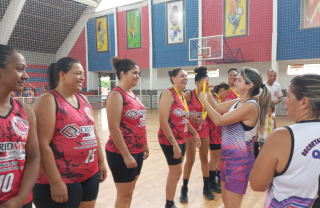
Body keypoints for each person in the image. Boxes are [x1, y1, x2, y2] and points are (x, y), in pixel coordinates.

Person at [250, 74, 320, 207]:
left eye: (288, 96)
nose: (285, 100)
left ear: (304, 102)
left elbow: (257, 184)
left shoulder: (281, 137)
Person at [32, 57, 107, 208]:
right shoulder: (48, 100)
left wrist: (101, 161)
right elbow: (42, 145)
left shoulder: (84, 99)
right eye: (78, 73)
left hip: (90, 174)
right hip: (62, 177)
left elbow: (93, 133)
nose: (83, 77)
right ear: (62, 75)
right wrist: (56, 182)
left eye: (83, 74)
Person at [198, 67, 271, 208]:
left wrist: (202, 100)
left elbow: (218, 120)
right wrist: (207, 94)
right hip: (227, 159)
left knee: (232, 205)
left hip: (239, 162)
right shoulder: (238, 102)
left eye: (239, 80)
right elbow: (218, 107)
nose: (235, 82)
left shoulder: (250, 106)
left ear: (249, 85)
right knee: (226, 201)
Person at [0, 44, 40, 208]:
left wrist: (20, 199)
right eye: (19, 69)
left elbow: (33, 157)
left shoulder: (26, 111)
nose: (25, 76)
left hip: (20, 202)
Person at [105, 57, 149, 208]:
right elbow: (113, 128)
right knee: (124, 195)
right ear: (123, 73)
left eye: (139, 73)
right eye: (134, 73)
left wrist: (145, 144)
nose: (138, 76)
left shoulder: (132, 94)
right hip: (121, 153)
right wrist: (126, 155)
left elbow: (139, 122)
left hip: (137, 150)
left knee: (129, 192)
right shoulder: (116, 95)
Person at [159, 68, 201, 208]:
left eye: (186, 76)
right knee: (175, 171)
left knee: (177, 171)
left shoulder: (182, 95)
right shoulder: (168, 93)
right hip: (169, 140)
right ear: (173, 78)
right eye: (182, 76)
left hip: (182, 138)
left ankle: (170, 202)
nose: (186, 78)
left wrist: (194, 133)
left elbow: (184, 119)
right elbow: (163, 121)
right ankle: (169, 204)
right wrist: (174, 144)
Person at [180, 67, 219, 202]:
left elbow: (216, 109)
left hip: (204, 130)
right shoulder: (189, 95)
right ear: (197, 83)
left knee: (204, 159)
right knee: (190, 160)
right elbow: (178, 110)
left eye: (207, 81)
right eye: (204, 81)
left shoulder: (208, 95)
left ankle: (206, 187)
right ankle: (184, 189)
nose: (206, 83)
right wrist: (188, 114)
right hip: (190, 131)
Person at [208, 82, 230, 191]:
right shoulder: (214, 99)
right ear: (222, 90)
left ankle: (217, 178)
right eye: (227, 92)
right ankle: (211, 182)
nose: (227, 94)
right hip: (214, 132)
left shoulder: (220, 100)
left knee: (220, 157)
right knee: (214, 157)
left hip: (219, 132)